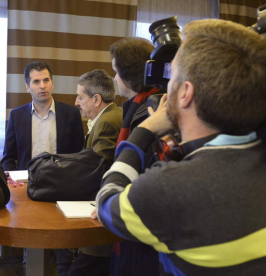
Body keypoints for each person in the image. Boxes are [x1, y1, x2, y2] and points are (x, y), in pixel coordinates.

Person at [96, 19, 266, 276]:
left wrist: (144, 131)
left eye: (172, 75)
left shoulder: (169, 187)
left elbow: (107, 203)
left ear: (185, 93)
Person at [58, 69, 122, 276]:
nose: (76, 102)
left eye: (80, 96)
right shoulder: (110, 116)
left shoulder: (106, 122)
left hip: (102, 215)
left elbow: (97, 169)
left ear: (96, 99)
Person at [109, 37, 160, 275]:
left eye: (116, 71)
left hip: (142, 227)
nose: (114, 78)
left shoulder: (147, 111)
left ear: (129, 74)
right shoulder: (143, 104)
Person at [2, 61, 84, 171]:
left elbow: (78, 156)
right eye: (36, 82)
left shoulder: (71, 114)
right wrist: (15, 182)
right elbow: (8, 158)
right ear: (27, 87)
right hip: (28, 183)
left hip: (62, 182)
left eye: (46, 80)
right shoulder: (16, 116)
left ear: (52, 83)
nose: (43, 86)